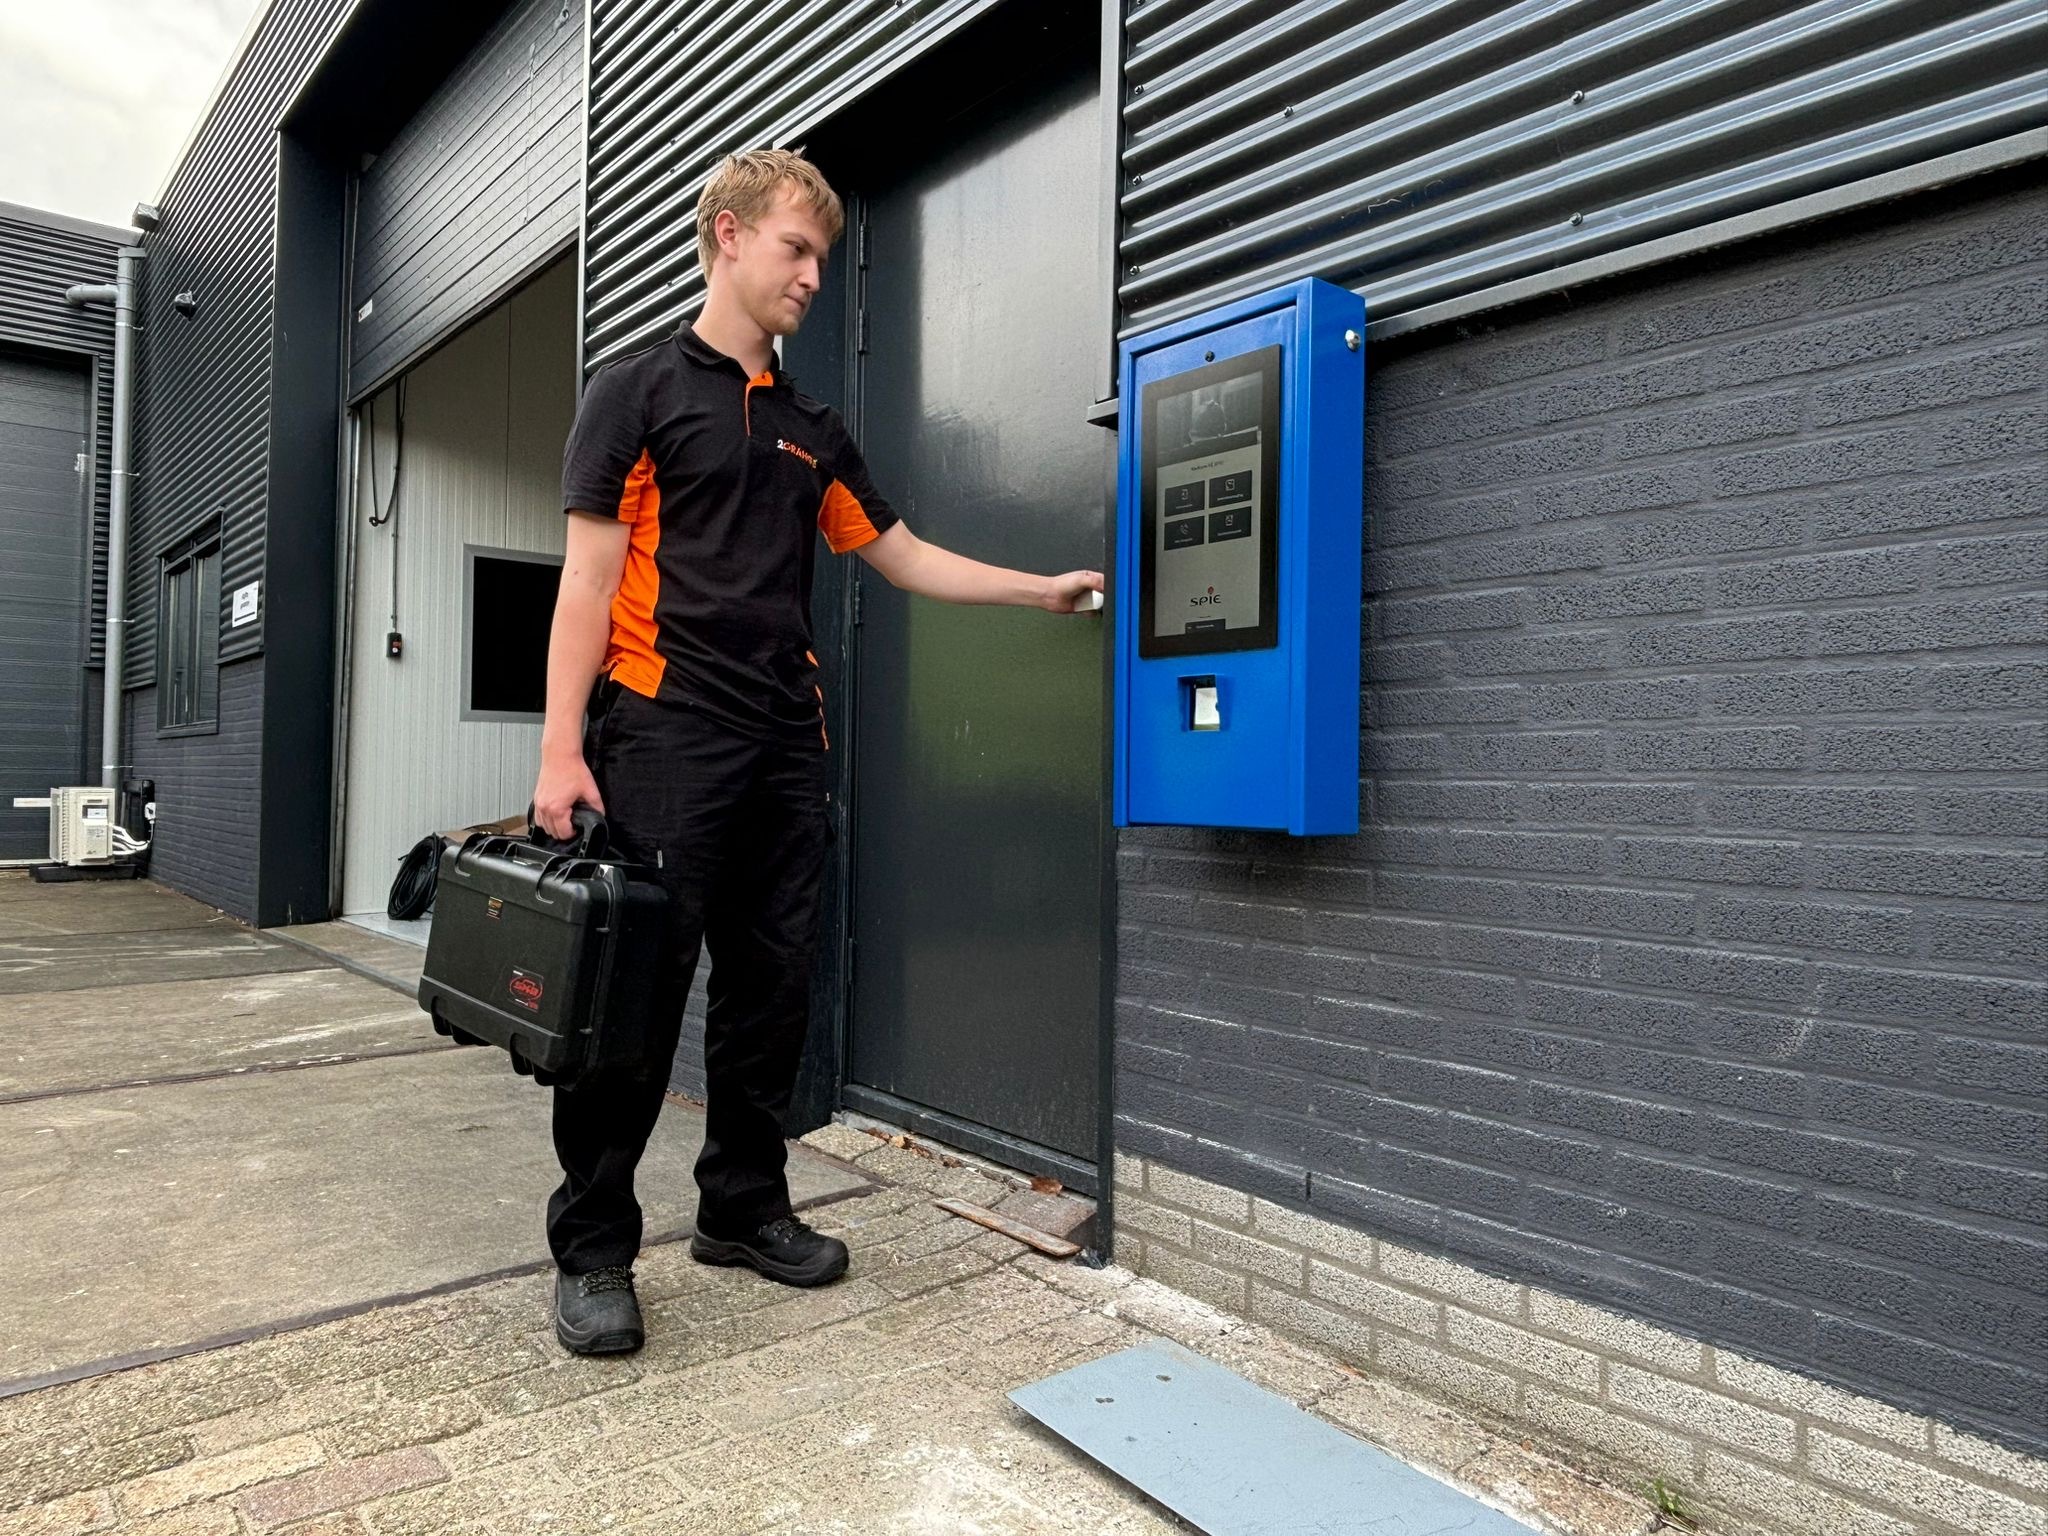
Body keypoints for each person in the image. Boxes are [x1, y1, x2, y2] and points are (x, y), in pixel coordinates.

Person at [531, 148, 1102, 1355]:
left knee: (771, 993)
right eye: (795, 249)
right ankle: (592, 1250)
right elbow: (586, 579)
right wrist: (558, 752)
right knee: (630, 1005)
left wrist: (1034, 591)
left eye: (823, 259)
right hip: (664, 732)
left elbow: (899, 552)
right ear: (727, 235)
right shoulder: (634, 392)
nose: (810, 276)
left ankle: (740, 1209)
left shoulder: (809, 426)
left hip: (787, 741)